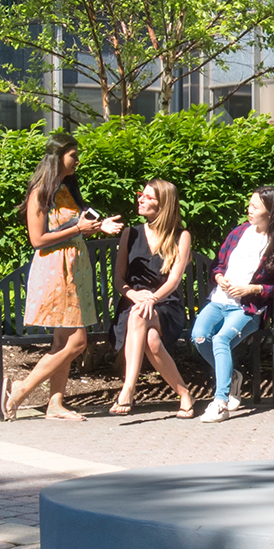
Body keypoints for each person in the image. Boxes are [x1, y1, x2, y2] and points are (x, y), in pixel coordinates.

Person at [0, 133, 125, 422]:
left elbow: (77, 224)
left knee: (62, 342)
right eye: (73, 155)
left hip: (75, 269)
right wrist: (78, 229)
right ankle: (19, 390)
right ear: (58, 157)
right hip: (56, 270)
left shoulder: (66, 189)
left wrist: (98, 226)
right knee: (77, 343)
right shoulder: (40, 192)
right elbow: (38, 239)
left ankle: (55, 405)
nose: (77, 160)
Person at [192, 187, 274, 422]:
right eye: (249, 204)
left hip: (247, 308)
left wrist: (252, 289)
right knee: (199, 336)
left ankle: (220, 402)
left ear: (271, 212)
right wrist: (219, 277)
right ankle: (233, 376)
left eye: (255, 207)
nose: (249, 210)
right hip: (220, 300)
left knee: (221, 339)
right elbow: (217, 265)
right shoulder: (238, 233)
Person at [108, 178, 200, 417]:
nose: (140, 199)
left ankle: (128, 388)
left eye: (148, 197)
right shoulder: (130, 233)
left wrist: (151, 299)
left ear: (164, 204)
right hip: (133, 301)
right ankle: (184, 394)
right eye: (141, 194)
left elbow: (174, 280)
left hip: (166, 304)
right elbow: (118, 281)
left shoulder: (181, 236)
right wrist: (135, 295)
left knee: (140, 316)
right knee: (150, 339)